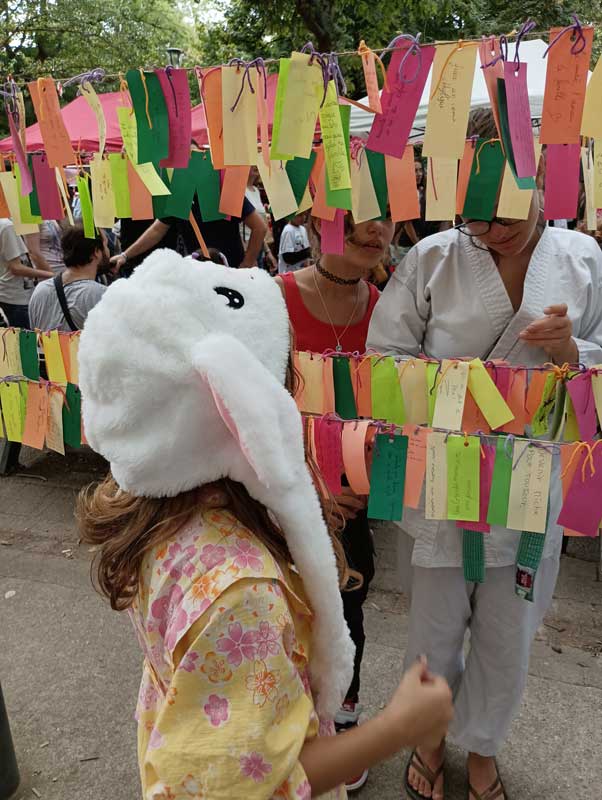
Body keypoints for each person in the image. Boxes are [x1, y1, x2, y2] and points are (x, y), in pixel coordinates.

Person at [76, 251, 453, 799]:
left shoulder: (156, 509)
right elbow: (255, 785)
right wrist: (396, 727)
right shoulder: (242, 592)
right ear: (238, 411)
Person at [367, 109, 602, 800]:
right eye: (478, 219)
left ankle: (483, 750)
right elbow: (385, 359)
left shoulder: (584, 261)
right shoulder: (433, 257)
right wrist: (448, 394)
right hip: (443, 472)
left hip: (532, 475)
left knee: (509, 633)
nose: (493, 232)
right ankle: (429, 740)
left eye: (505, 215)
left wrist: (571, 352)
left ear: (538, 181)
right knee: (432, 628)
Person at [275, 212, 394, 793]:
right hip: (284, 493)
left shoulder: (393, 309)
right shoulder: (275, 300)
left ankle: (342, 725)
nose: (377, 231)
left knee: (349, 605)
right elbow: (255, 404)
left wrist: (358, 486)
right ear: (316, 220)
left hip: (354, 500)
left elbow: (399, 413)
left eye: (387, 217)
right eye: (357, 219)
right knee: (284, 615)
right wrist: (312, 485)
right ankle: (287, 728)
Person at [110, 195, 267, 272]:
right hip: (197, 273)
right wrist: (125, 256)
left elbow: (259, 228)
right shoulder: (181, 196)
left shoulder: (224, 188)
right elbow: (157, 230)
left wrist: (247, 262)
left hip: (230, 270)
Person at [28, 225, 109, 332]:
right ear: (96, 252)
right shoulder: (101, 295)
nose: (108, 250)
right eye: (106, 245)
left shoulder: (40, 290)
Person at [0, 218, 53, 328]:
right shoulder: (7, 226)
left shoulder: (9, 224)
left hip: (13, 294)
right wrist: (51, 276)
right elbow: (16, 268)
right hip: (16, 297)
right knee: (26, 341)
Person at [243, 166, 277, 272]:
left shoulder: (256, 191)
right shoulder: (240, 190)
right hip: (247, 248)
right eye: (250, 162)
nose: (255, 165)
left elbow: (260, 225)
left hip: (259, 248)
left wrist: (268, 252)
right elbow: (239, 228)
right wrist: (249, 256)